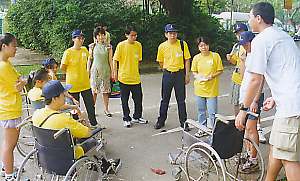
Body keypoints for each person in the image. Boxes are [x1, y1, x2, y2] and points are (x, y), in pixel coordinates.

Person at [235, 2, 300, 180]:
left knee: (289, 159)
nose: (249, 20)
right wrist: (274, 98)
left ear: (258, 18)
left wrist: (244, 109)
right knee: (276, 148)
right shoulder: (283, 36)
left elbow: (255, 79)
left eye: (250, 17)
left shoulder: (262, 40)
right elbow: (289, 71)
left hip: (291, 109)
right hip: (289, 104)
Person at [32, 80, 120, 174]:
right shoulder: (63, 119)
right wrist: (83, 118)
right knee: (93, 141)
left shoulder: (36, 114)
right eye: (63, 94)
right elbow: (87, 133)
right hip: (67, 156)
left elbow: (55, 108)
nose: (65, 96)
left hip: (46, 155)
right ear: (54, 98)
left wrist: (74, 107)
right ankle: (105, 167)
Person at [154, 24, 191, 130]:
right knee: (165, 99)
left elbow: (187, 59)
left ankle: (184, 122)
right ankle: (161, 120)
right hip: (167, 74)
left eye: (174, 33)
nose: (173, 35)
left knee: (181, 100)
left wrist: (187, 74)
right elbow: (160, 62)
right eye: (170, 33)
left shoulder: (182, 44)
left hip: (179, 74)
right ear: (166, 34)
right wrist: (167, 69)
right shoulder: (162, 46)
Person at [0, 33, 27, 181]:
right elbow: (18, 85)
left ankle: (6, 168)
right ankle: (9, 176)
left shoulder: (6, 63)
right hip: (9, 110)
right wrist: (22, 83)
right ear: (4, 46)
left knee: (8, 143)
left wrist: (21, 82)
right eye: (14, 46)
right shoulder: (3, 66)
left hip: (8, 108)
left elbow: (19, 80)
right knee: (10, 145)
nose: (16, 49)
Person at [238, 31, 265, 173]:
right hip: (246, 96)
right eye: (243, 44)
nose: (245, 46)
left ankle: (254, 159)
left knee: (251, 128)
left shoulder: (258, 55)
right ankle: (249, 155)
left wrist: (255, 100)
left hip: (254, 98)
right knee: (246, 128)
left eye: (246, 44)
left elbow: (260, 79)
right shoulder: (247, 55)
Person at [60, 29, 98, 127]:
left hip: (85, 83)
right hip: (73, 84)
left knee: (90, 105)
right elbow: (62, 67)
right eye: (78, 38)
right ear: (73, 39)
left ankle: (93, 123)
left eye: (82, 38)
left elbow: (89, 61)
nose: (81, 40)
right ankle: (76, 126)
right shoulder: (68, 52)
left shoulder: (85, 50)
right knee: (75, 108)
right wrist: (72, 74)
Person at [113, 26, 148, 128]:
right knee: (125, 99)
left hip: (135, 78)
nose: (134, 37)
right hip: (124, 78)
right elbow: (115, 60)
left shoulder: (138, 45)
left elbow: (138, 61)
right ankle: (126, 118)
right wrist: (114, 73)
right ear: (126, 35)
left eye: (135, 35)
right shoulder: (121, 45)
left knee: (138, 98)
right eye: (132, 35)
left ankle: (137, 116)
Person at [191, 37, 223, 137]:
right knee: (201, 111)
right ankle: (202, 129)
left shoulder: (215, 56)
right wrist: (197, 76)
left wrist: (211, 76)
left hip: (211, 89)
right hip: (200, 87)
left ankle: (214, 131)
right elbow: (194, 71)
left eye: (205, 45)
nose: (203, 47)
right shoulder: (196, 58)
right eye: (201, 45)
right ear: (198, 47)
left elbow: (220, 70)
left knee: (212, 112)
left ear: (208, 45)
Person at [88, 26, 113, 117]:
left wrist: (113, 72)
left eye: (102, 35)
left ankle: (106, 109)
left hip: (106, 70)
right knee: (94, 91)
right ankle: (92, 110)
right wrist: (88, 70)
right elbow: (90, 59)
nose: (101, 37)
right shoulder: (92, 46)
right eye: (98, 35)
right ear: (95, 36)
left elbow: (110, 60)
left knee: (105, 92)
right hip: (95, 71)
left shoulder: (108, 47)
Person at [226, 23, 248, 117]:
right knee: (236, 102)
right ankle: (237, 121)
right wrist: (229, 58)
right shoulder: (237, 46)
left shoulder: (252, 45)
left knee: (249, 103)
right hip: (237, 78)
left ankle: (255, 124)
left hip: (247, 78)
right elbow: (234, 61)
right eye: (237, 33)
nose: (239, 35)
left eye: (241, 32)